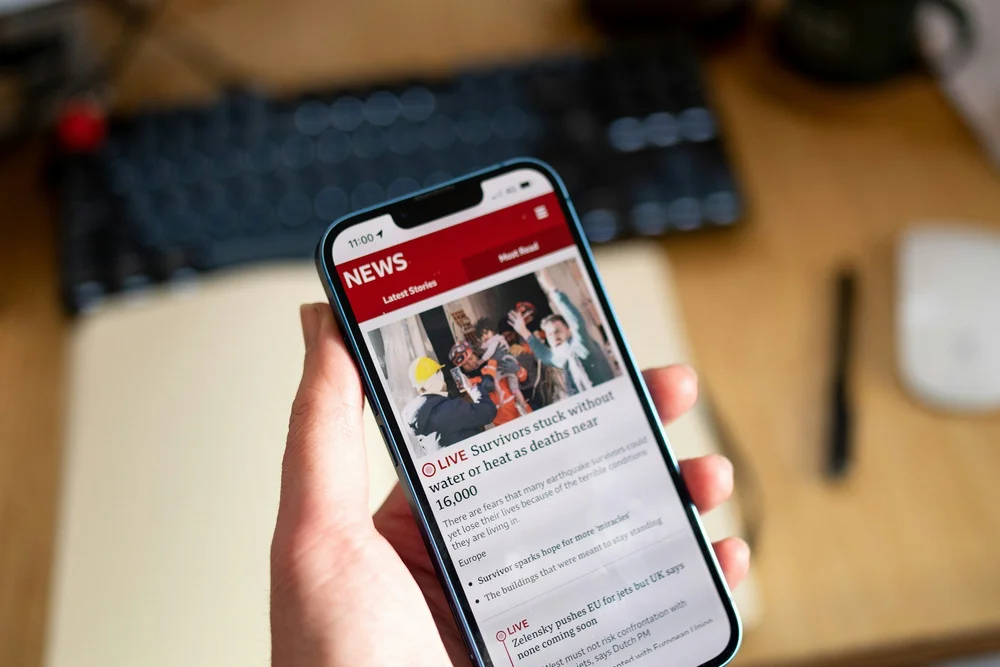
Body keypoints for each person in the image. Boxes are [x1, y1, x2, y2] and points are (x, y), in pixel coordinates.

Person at [272, 304, 751, 666]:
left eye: (466, 352)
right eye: (457, 359)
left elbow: (517, 377)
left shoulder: (453, 393)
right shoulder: (455, 398)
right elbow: (483, 409)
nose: (462, 359)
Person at [508, 270, 614, 395]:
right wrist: (523, 331)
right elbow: (544, 354)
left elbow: (577, 323)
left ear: (569, 330)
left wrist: (553, 290)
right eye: (549, 334)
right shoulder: (559, 358)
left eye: (557, 331)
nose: (554, 337)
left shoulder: (581, 347)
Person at [401, 355, 497, 451]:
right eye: (439, 371)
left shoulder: (415, 418)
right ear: (437, 377)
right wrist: (473, 389)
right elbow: (488, 412)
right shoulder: (451, 409)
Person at [449, 341, 521, 426]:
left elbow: (525, 380)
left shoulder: (493, 362)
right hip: (503, 425)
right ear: (462, 369)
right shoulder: (469, 383)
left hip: (522, 413)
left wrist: (518, 371)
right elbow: (488, 383)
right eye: (465, 364)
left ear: (476, 354)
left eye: (471, 358)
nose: (470, 364)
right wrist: (493, 362)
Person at [474, 317, 531, 415]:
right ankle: (522, 404)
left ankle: (522, 404)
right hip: (504, 367)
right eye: (482, 335)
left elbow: (525, 379)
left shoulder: (496, 341)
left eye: (486, 333)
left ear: (492, 331)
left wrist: (480, 361)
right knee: (513, 388)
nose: (485, 336)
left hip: (506, 363)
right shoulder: (489, 353)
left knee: (507, 384)